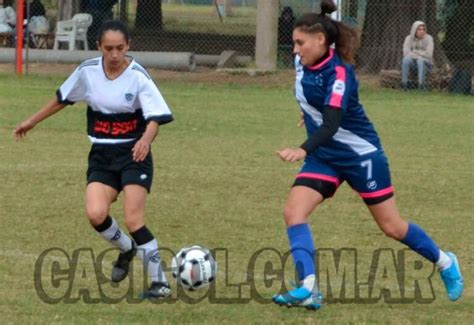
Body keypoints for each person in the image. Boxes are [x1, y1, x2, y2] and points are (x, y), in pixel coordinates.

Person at [272, 0, 464, 310]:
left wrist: (301, 148)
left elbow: (332, 124)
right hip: (325, 157)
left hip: (361, 157)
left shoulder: (340, 74)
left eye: (300, 43)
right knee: (294, 212)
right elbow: (309, 97)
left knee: (392, 227)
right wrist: (305, 112)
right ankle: (308, 288)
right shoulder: (302, 63)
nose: (295, 50)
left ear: (321, 41)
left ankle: (445, 262)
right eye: (294, 43)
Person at [14, 20, 174, 299]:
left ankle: (159, 283)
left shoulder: (138, 76)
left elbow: (155, 119)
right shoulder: (87, 72)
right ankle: (127, 249)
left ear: (128, 46)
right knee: (96, 214)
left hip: (134, 155)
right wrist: (32, 121)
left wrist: (145, 140)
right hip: (102, 155)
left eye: (120, 48)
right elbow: (61, 99)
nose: (114, 55)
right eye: (109, 48)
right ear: (99, 46)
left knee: (134, 220)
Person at [401, 21, 434, 90]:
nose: (422, 31)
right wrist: (421, 53)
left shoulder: (429, 38)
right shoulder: (408, 38)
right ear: (414, 30)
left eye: (423, 29)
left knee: (420, 60)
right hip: (413, 64)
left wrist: (414, 52)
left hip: (426, 64)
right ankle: (404, 83)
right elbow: (406, 53)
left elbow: (429, 54)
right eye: (419, 29)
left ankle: (421, 85)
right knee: (406, 59)